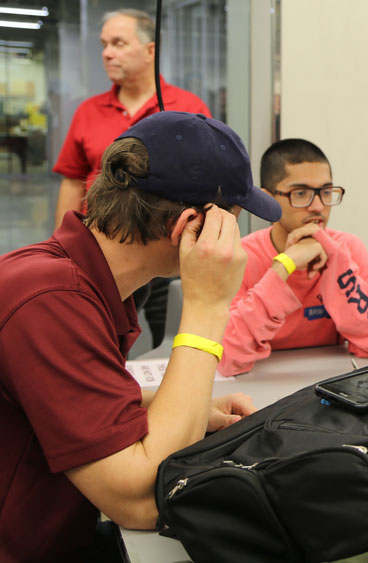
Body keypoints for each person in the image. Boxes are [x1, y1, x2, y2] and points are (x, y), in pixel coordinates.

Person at [0, 111, 281, 561]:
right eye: (231, 221)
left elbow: (78, 398)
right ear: (189, 226)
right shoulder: (51, 301)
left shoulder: (77, 280)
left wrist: (182, 408)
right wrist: (207, 304)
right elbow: (142, 501)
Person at [219, 139, 368, 376]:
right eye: (301, 193)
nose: (318, 206)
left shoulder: (347, 248)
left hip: (330, 382)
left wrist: (337, 263)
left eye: (326, 192)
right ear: (267, 199)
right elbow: (229, 359)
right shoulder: (240, 256)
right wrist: (284, 265)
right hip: (259, 386)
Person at [53, 8, 211, 228]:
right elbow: (72, 182)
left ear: (150, 51)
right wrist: (63, 244)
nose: (107, 53)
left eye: (118, 43)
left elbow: (206, 182)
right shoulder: (88, 111)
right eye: (104, 44)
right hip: (97, 240)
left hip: (164, 242)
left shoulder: (188, 109)